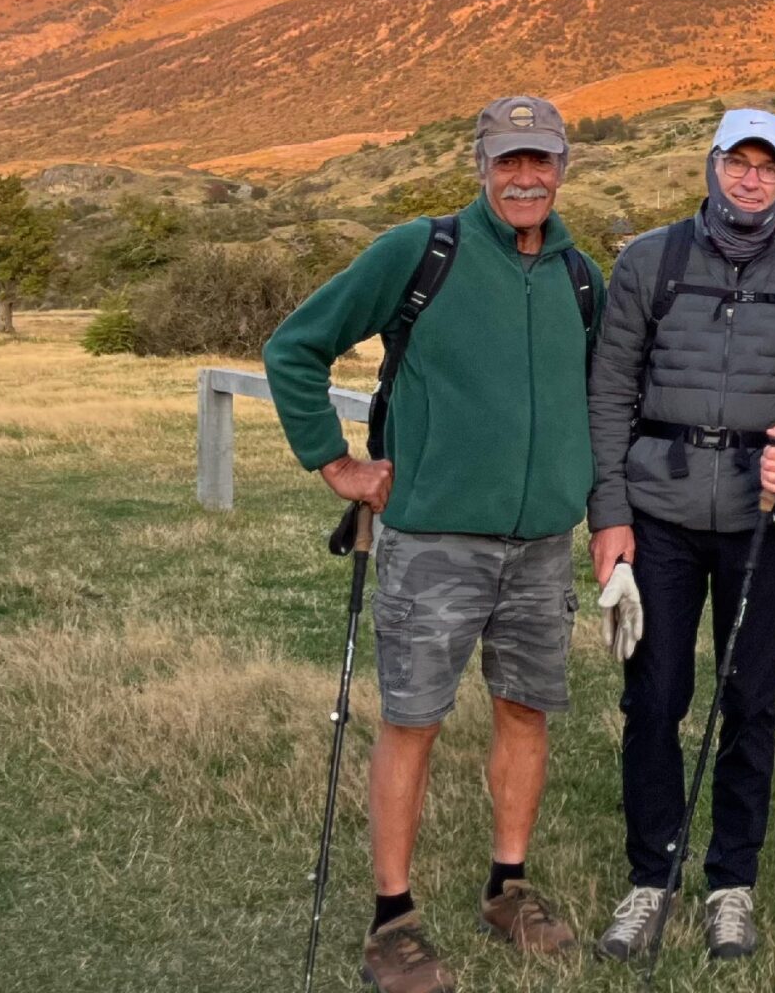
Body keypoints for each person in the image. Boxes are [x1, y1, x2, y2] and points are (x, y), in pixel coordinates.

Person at [262, 95, 602, 993]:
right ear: (481, 164)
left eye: (542, 161)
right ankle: (393, 918)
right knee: (412, 721)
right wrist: (335, 463)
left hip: (541, 544)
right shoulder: (423, 252)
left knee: (524, 712)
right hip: (435, 539)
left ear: (565, 165)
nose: (526, 177)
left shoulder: (579, 275)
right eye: (508, 160)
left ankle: (507, 887)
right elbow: (295, 347)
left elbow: (598, 398)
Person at [586, 107, 775, 964]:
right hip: (657, 515)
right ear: (712, 166)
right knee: (654, 698)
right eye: (737, 162)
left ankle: (731, 882)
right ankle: (650, 879)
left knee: (751, 703)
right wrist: (610, 516)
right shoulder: (647, 261)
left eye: (767, 167)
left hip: (761, 521)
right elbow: (610, 392)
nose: (750, 179)